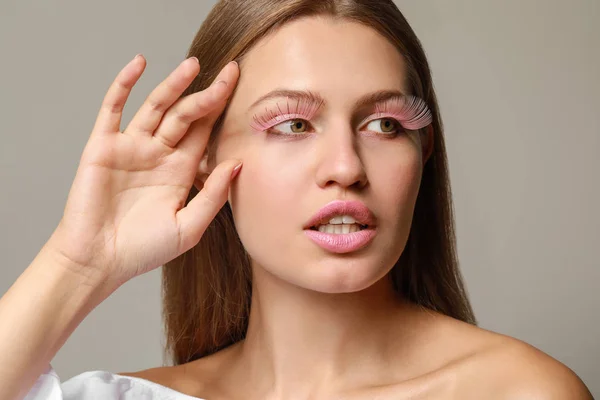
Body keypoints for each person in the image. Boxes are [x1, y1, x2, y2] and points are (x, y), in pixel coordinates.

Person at [1, 0, 593, 399]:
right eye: (292, 125)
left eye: (384, 124)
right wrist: (80, 262)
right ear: (204, 152)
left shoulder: (517, 392)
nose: (345, 168)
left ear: (424, 150)